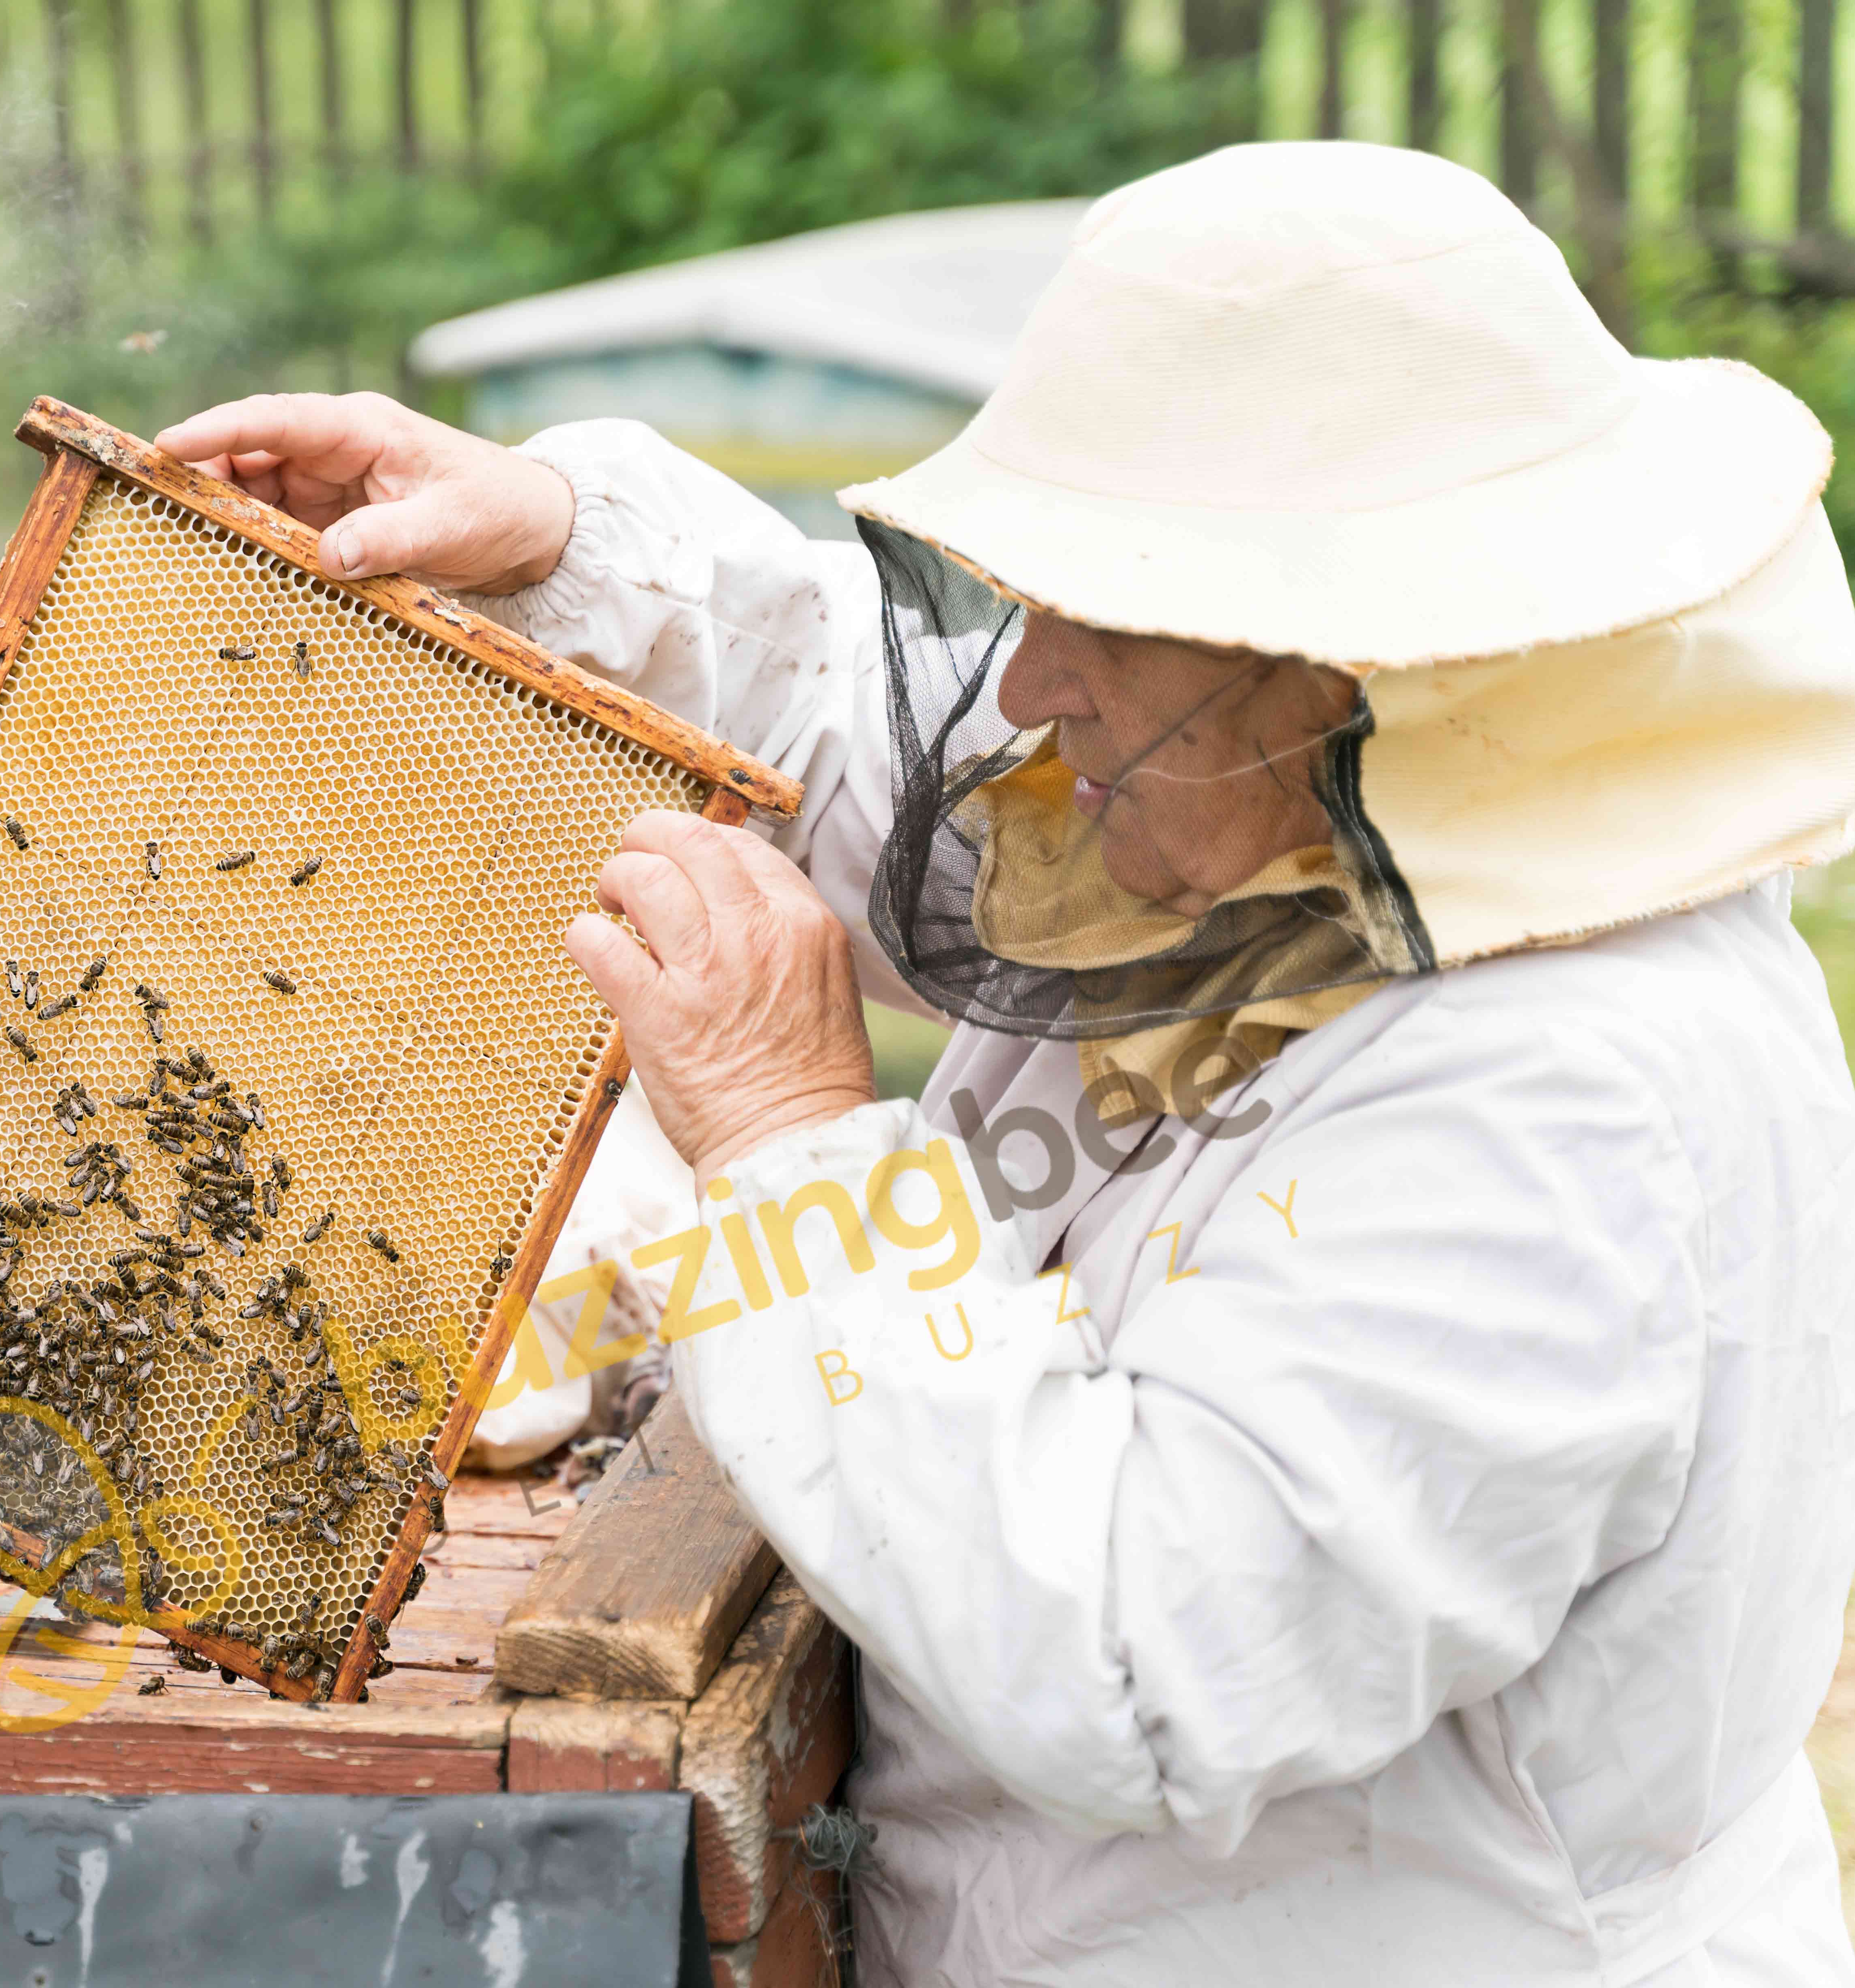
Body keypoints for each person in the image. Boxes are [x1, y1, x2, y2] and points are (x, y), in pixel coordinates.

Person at [158, 141, 1855, 1983]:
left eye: (1102, 619)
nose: (1029, 681)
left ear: (1365, 657)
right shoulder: (1300, 788)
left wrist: (795, 1139)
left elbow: (1145, 1662)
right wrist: (567, 547)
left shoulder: (1562, 1102)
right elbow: (882, 744)